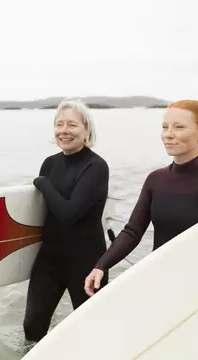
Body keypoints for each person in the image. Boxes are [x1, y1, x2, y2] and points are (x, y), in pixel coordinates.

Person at [84, 99, 198, 297]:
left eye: (179, 127)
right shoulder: (156, 180)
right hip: (161, 280)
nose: (168, 134)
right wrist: (101, 265)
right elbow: (133, 231)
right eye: (165, 127)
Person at [23, 98, 110, 342]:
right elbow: (41, 213)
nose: (64, 131)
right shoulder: (50, 163)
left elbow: (69, 213)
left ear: (86, 130)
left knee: (92, 331)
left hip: (86, 263)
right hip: (49, 260)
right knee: (32, 326)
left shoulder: (96, 166)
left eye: (72, 125)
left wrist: (41, 182)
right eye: (59, 124)